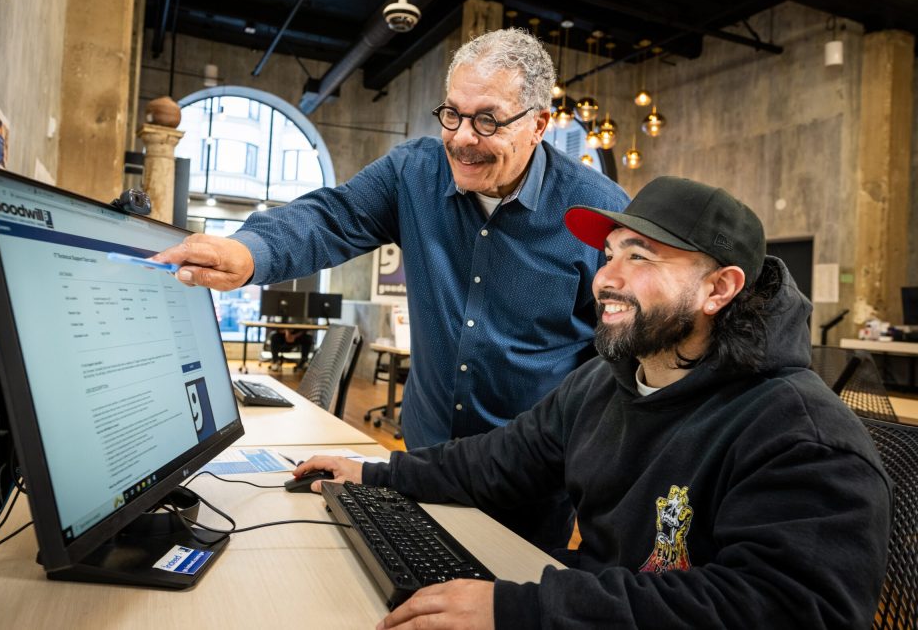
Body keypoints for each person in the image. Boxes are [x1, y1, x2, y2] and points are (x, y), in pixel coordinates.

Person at [293, 177, 892, 629]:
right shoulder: (608, 380)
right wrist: (377, 472)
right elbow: (504, 458)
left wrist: (523, 612)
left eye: (640, 256)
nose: (605, 277)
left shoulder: (801, 435)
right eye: (609, 254)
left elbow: (782, 609)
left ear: (719, 288)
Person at [154, 27, 629, 452]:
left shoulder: (599, 212)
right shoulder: (414, 172)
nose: (462, 138)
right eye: (452, 115)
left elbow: (619, 357)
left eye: (487, 120)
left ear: (538, 125)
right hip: (424, 453)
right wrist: (249, 251)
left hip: (530, 472)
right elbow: (331, 217)